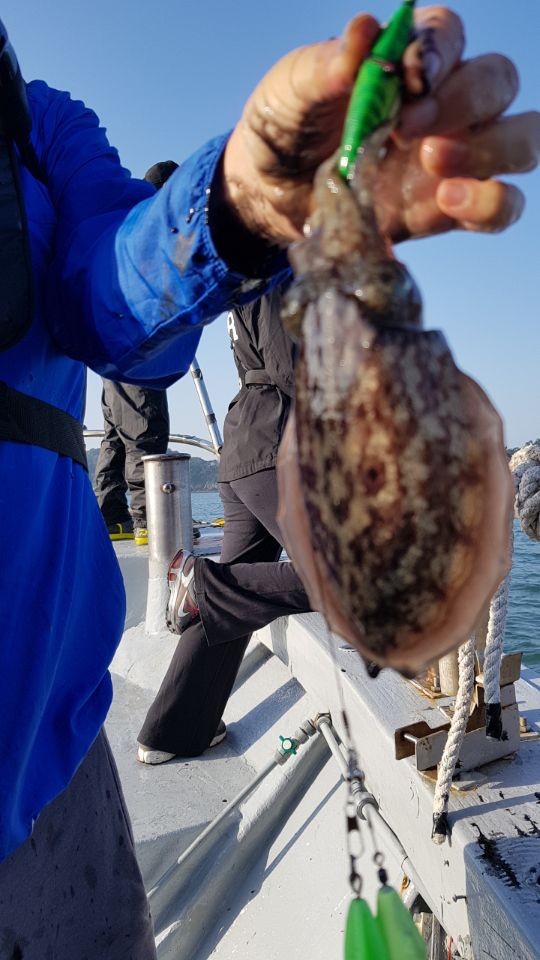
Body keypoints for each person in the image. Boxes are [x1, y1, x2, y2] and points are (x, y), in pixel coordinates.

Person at [0, 7, 538, 958]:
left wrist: (242, 202)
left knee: (281, 586)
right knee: (302, 583)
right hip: (265, 443)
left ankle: (174, 718)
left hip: (50, 757)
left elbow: (119, 307)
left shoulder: (33, 124)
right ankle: (212, 598)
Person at [137, 283, 312, 761]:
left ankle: (171, 731)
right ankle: (202, 582)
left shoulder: (249, 279)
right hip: (275, 446)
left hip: (246, 449)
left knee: (229, 601)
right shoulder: (279, 274)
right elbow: (293, 369)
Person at [93, 163, 176, 546]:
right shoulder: (150, 235)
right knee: (146, 431)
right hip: (136, 351)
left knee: (115, 434)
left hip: (109, 352)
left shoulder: (124, 231)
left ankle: (112, 518)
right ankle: (150, 522)